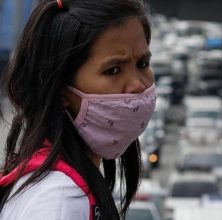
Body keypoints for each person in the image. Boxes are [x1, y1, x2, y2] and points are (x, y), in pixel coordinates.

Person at [0, 0, 156, 219]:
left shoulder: (65, 185)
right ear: (61, 91)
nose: (138, 85)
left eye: (142, 64)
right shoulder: (61, 201)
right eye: (112, 70)